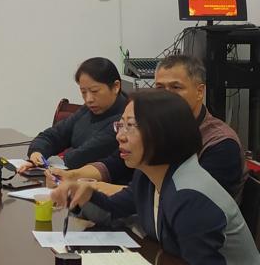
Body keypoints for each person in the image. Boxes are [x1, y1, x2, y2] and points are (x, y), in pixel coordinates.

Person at [51, 89, 260, 265]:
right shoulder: (150, 176)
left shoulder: (190, 196)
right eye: (120, 125)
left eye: (131, 126)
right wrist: (84, 194)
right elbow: (114, 210)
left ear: (163, 132)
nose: (120, 136)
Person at [51, 55, 246, 202]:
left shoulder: (220, 143)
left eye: (176, 87)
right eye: (160, 88)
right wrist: (72, 176)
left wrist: (96, 188)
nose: (166, 96)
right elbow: (115, 164)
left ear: (199, 92)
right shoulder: (157, 127)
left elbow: (191, 202)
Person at [20, 57, 128, 172]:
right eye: (83, 92)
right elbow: (54, 135)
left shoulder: (125, 119)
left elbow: (81, 157)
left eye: (95, 91)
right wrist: (37, 152)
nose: (89, 99)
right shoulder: (87, 110)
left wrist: (64, 156)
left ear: (116, 86)